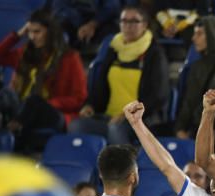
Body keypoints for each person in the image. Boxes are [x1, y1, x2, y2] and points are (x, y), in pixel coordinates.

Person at [0, 9, 87, 152]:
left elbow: (79, 98)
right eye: (30, 32)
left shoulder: (69, 57)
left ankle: (12, 130)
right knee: (5, 94)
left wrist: (49, 104)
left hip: (54, 113)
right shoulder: (25, 53)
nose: (32, 36)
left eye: (37, 32)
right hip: (24, 108)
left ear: (49, 32)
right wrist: (18, 35)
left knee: (34, 100)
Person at [71, 6, 169, 145]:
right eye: (124, 21)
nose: (128, 26)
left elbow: (158, 96)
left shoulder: (154, 54)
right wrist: (90, 106)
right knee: (77, 126)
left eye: (134, 21)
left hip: (140, 119)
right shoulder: (114, 49)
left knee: (115, 129)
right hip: (109, 117)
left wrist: (128, 115)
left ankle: (125, 165)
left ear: (145, 25)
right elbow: (100, 86)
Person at [50, 0, 120, 50]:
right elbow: (59, 7)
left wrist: (92, 24)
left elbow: (112, 7)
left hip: (98, 22)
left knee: (114, 29)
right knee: (58, 26)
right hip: (73, 22)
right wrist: (80, 25)